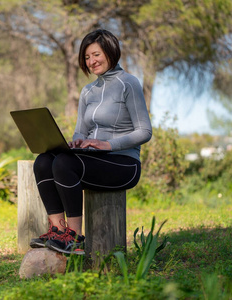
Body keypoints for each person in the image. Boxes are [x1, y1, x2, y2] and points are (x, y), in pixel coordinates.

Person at [30, 29, 152, 255]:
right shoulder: (88, 91)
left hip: (123, 164)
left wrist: (108, 145)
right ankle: (58, 230)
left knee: (64, 164)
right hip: (94, 161)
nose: (91, 61)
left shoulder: (128, 83)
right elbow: (80, 132)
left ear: (110, 51)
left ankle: (75, 238)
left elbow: (144, 131)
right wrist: (76, 143)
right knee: (44, 161)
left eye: (96, 54)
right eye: (86, 57)